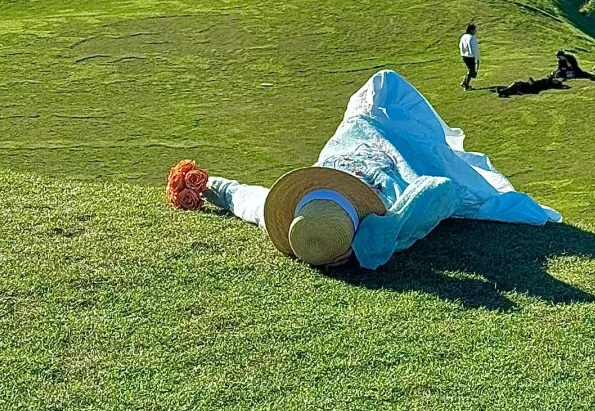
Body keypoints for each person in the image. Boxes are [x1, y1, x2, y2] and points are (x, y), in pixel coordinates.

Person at [194, 69, 560, 268]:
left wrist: (209, 184)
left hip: (362, 130)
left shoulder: (291, 211)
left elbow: (247, 199)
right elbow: (441, 189)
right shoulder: (390, 205)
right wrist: (386, 232)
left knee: (382, 87)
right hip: (398, 154)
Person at [459, 22, 479, 89]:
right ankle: (466, 85)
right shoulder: (472, 37)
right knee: (471, 71)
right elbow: (474, 48)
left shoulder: (463, 36)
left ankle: (464, 82)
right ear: (471, 30)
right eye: (475, 30)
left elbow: (460, 45)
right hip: (470, 56)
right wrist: (477, 57)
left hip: (464, 55)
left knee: (469, 69)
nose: (476, 31)